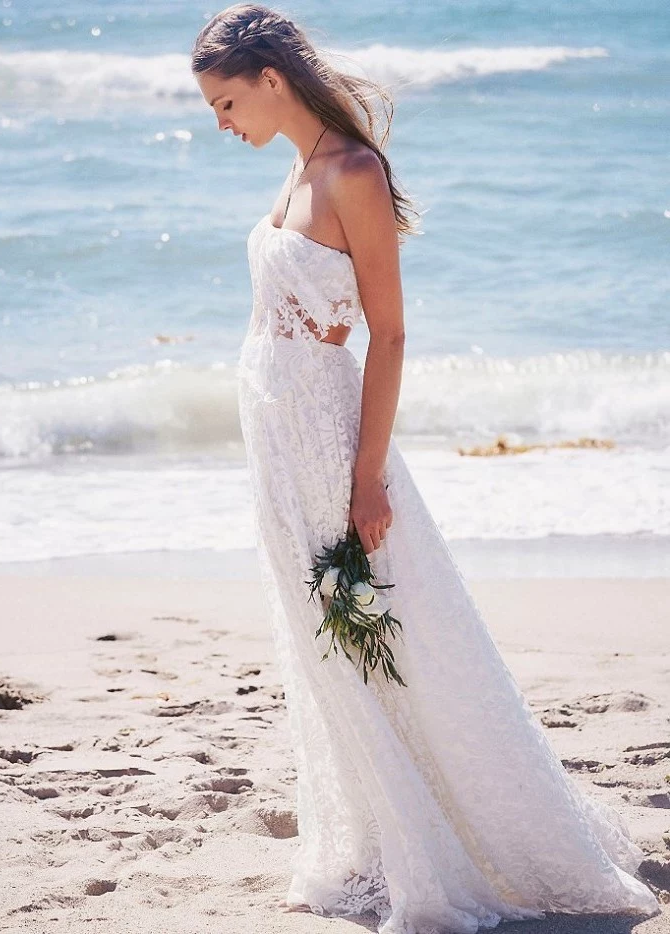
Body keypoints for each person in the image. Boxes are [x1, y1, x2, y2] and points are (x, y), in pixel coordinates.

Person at [190, 5, 661, 932]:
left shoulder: (353, 172)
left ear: (272, 81)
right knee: (324, 634)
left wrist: (368, 477)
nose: (221, 121)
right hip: (278, 443)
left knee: (376, 622)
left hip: (329, 438)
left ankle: (445, 836)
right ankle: (371, 831)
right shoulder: (293, 173)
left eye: (226, 100)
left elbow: (390, 332)